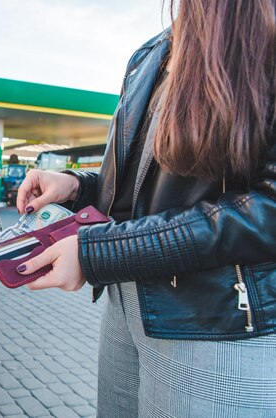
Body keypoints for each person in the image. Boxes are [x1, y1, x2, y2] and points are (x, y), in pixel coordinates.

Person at [15, 1, 276, 417]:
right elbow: (145, 197)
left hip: (213, 324)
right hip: (128, 304)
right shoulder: (151, 52)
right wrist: (78, 188)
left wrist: (98, 253)